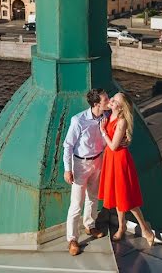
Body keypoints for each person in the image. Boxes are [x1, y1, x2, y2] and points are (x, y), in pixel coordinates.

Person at [98, 92, 156, 248]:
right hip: (112, 159)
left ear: (120, 106)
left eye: (114, 100)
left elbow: (114, 146)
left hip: (119, 160)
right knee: (118, 196)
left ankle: (145, 229)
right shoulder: (110, 115)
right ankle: (122, 226)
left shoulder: (121, 121)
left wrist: (103, 131)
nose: (111, 100)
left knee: (127, 199)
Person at [63, 88, 109, 256]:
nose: (109, 101)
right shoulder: (78, 121)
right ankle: (72, 239)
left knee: (93, 197)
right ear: (97, 104)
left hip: (98, 160)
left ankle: (90, 226)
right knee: (76, 204)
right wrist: (67, 169)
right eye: (106, 100)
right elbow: (67, 145)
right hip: (80, 164)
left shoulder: (105, 116)